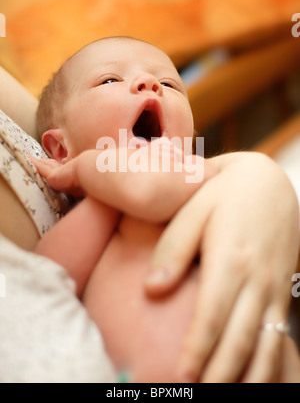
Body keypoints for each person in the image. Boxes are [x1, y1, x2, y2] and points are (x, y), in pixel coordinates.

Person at [31, 36, 300, 382]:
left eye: (172, 85)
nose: (150, 84)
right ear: (60, 150)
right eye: (110, 80)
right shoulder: (96, 219)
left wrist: (88, 168)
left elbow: (148, 191)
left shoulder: (199, 178)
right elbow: (44, 278)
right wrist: (99, 188)